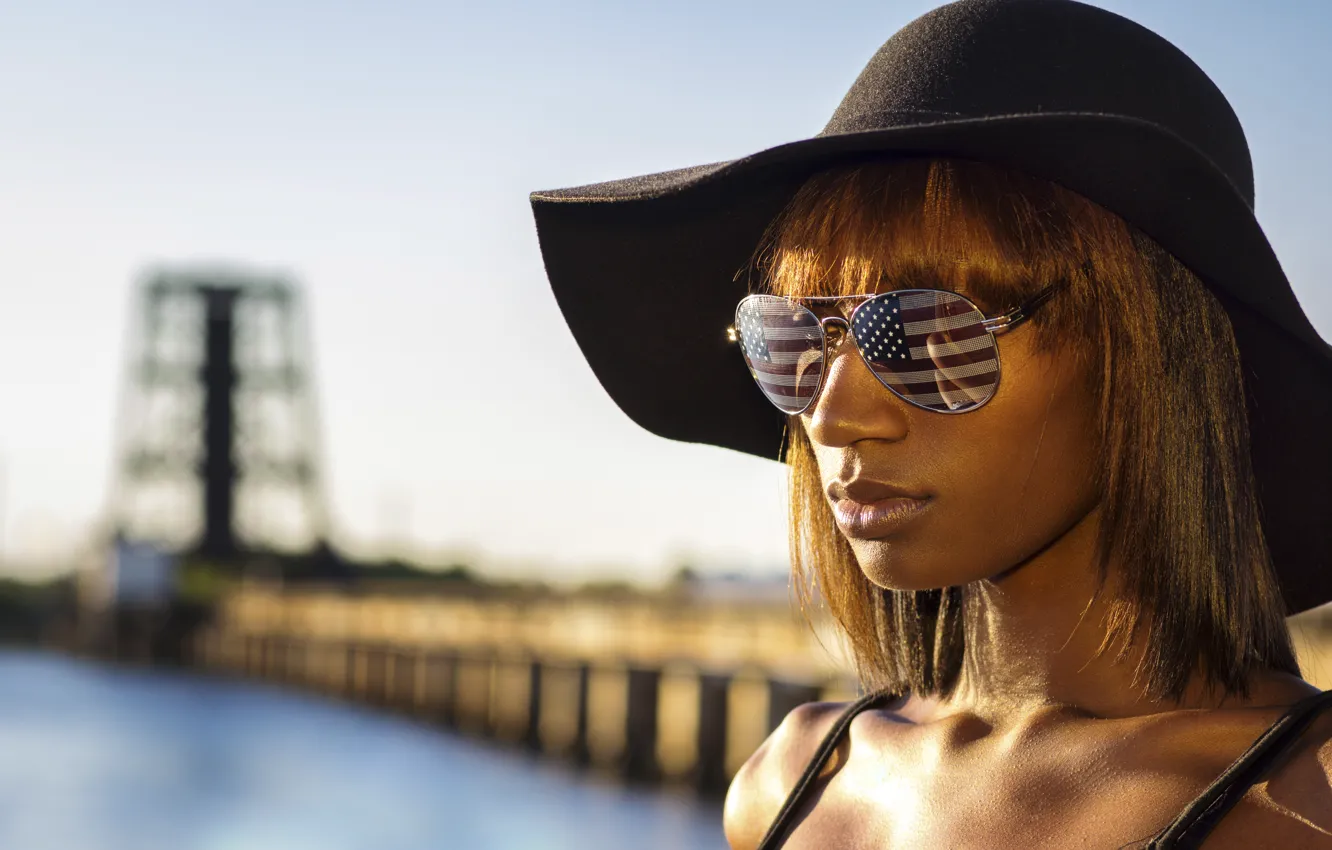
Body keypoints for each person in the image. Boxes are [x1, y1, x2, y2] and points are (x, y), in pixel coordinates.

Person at [529, 1, 1332, 847]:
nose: (833, 414)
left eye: (922, 335)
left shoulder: (1301, 803)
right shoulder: (792, 782)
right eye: (789, 340)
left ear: (1145, 361)